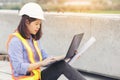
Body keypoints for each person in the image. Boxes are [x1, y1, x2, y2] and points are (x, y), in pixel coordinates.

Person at [6, 2, 86, 80]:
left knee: (61, 65)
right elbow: (18, 68)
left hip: (37, 78)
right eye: (36, 24)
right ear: (27, 22)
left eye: (40, 24)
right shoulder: (15, 41)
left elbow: (46, 59)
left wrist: (66, 56)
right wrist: (41, 63)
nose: (38, 27)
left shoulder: (34, 39)